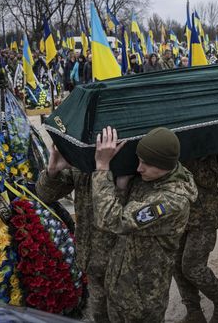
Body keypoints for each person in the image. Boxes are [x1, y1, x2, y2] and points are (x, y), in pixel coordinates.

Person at [92, 127, 198, 322]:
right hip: (120, 283)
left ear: (166, 165)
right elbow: (129, 212)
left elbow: (113, 220)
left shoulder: (171, 201)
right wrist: (122, 188)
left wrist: (102, 167)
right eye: (139, 160)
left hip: (142, 299)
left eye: (147, 164)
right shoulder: (153, 177)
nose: (139, 168)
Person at [36, 146, 118, 323]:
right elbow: (45, 195)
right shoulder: (83, 155)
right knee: (99, 315)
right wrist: (52, 171)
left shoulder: (135, 157)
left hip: (123, 264)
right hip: (91, 258)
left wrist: (103, 168)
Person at [174, 155, 218, 323]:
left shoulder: (204, 146)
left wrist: (179, 163)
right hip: (179, 214)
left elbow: (208, 180)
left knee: (192, 266)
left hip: (203, 216)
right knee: (176, 265)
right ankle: (194, 312)